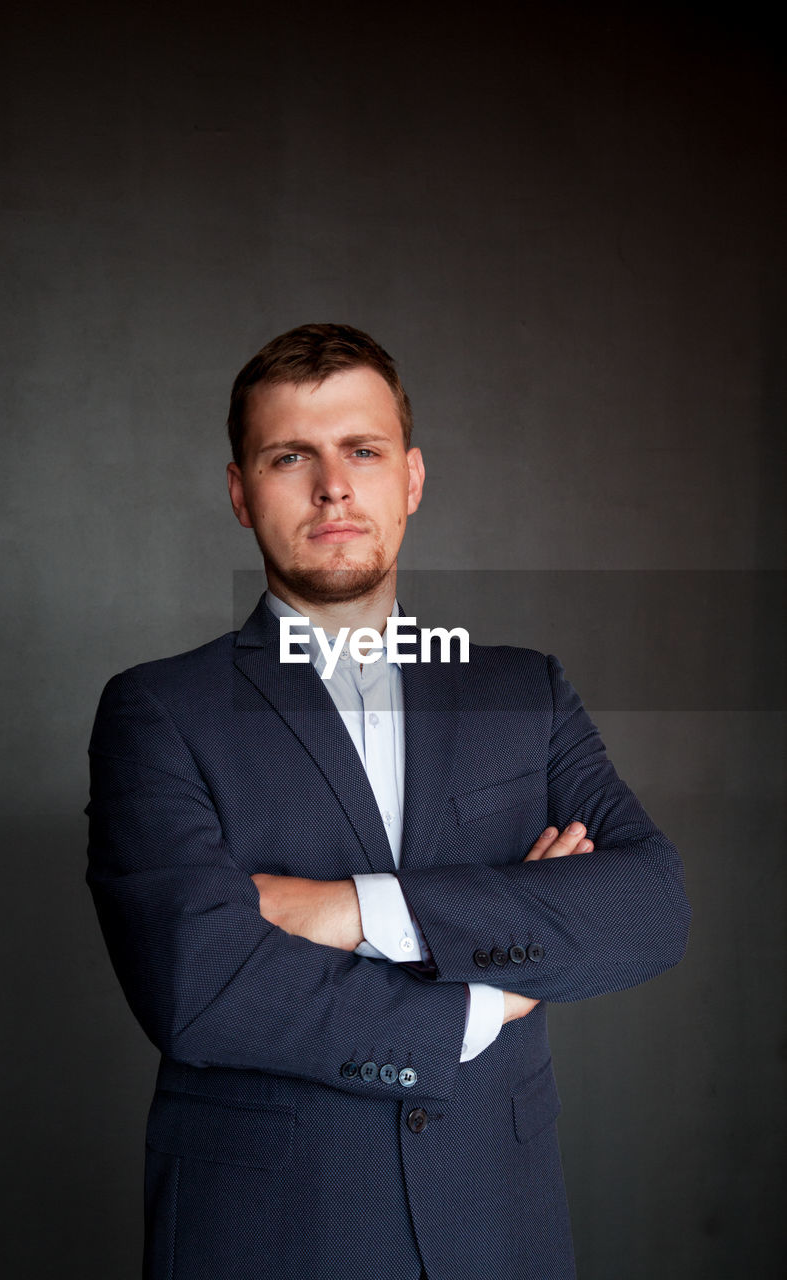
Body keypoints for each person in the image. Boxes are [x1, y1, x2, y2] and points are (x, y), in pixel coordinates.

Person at [86, 323, 690, 1280]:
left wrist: (348, 909)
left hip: (500, 1224)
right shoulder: (157, 710)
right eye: (292, 456)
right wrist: (491, 1001)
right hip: (272, 1234)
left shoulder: (521, 691)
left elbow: (649, 907)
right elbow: (198, 987)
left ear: (409, 480)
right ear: (242, 493)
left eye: (361, 451)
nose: (333, 485)